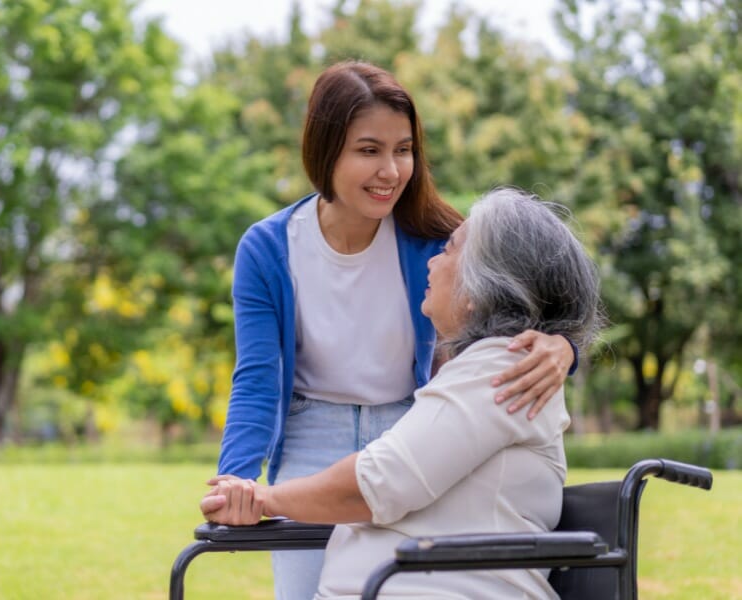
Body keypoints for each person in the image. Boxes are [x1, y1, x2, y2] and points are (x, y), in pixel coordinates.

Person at [216, 61, 578, 599]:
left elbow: (537, 292)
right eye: (369, 150)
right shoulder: (269, 248)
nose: (391, 170)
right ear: (326, 150)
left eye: (403, 150)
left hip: (411, 428)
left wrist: (565, 346)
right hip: (312, 431)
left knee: (392, 577)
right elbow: (258, 377)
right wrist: (237, 480)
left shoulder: (440, 240)